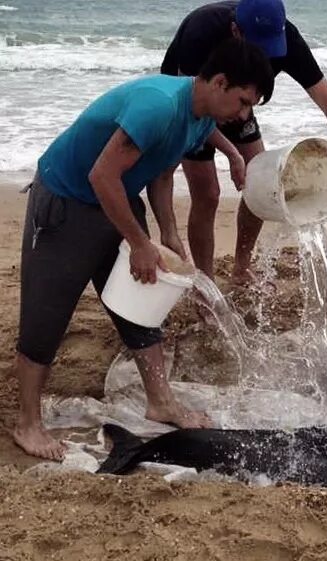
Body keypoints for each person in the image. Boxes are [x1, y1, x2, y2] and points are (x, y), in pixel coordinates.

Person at [13, 38, 275, 461]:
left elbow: (158, 168)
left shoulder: (199, 112)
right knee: (48, 314)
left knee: (140, 301)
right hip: (68, 199)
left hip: (116, 196)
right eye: (243, 102)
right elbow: (102, 175)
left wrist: (168, 233)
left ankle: (161, 400)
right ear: (220, 82)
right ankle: (27, 423)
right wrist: (138, 241)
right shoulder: (158, 106)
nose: (244, 116)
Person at [162, 0, 327, 282]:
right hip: (190, 102)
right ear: (235, 31)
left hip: (237, 99)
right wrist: (231, 153)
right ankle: (205, 284)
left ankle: (241, 267)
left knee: (259, 178)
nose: (266, 55)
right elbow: (191, 107)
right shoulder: (202, 32)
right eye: (260, 46)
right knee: (207, 193)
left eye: (272, 48)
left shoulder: (287, 40)